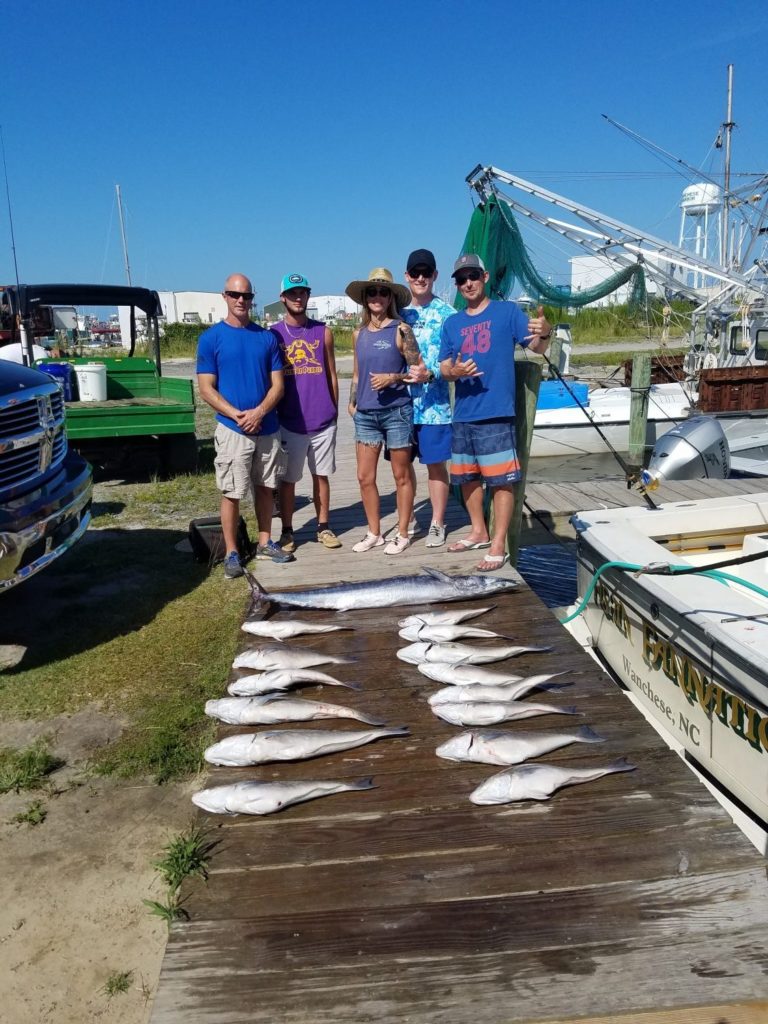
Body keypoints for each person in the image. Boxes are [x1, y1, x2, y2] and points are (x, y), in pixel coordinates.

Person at [438, 254, 551, 571]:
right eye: (461, 279)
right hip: (462, 414)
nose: (468, 283)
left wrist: (545, 330)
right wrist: (455, 370)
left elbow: (537, 346)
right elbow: (444, 367)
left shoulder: (507, 312)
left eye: (472, 275)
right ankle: (478, 531)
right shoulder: (452, 323)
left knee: (501, 482)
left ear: (485, 276)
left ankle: (498, 544)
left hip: (496, 414)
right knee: (467, 479)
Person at [197, 273, 293, 578]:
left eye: (247, 296)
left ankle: (265, 541)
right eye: (235, 295)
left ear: (252, 299)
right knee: (232, 492)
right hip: (232, 429)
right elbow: (206, 387)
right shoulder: (211, 338)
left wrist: (260, 412)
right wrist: (237, 414)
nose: (241, 301)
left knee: (267, 488)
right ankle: (232, 552)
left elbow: (278, 385)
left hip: (267, 427)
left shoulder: (266, 338)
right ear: (224, 296)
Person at [345, 267, 427, 555]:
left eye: (383, 291)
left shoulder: (402, 329)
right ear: (365, 298)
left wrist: (392, 377)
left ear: (391, 296)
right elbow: (357, 373)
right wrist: (352, 401)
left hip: (397, 412)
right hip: (366, 414)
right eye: (372, 292)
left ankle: (403, 532)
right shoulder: (358, 334)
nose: (377, 297)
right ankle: (374, 532)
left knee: (401, 475)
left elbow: (420, 372)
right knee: (364, 477)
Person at [271, 273, 342, 552]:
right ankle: (288, 531)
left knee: (321, 476)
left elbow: (333, 374)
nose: (298, 298)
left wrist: (334, 410)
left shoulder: (323, 331)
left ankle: (323, 526)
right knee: (288, 480)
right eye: (292, 293)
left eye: (302, 293)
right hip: (290, 421)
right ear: (283, 298)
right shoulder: (274, 334)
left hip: (323, 420)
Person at [401, 248, 454, 547]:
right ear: (407, 276)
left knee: (436, 465)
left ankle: (437, 522)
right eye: (415, 273)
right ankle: (407, 517)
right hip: (401, 408)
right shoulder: (399, 314)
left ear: (435, 276)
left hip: (435, 407)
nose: (421, 278)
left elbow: (455, 360)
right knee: (402, 466)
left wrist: (431, 373)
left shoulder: (448, 315)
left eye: (426, 273)